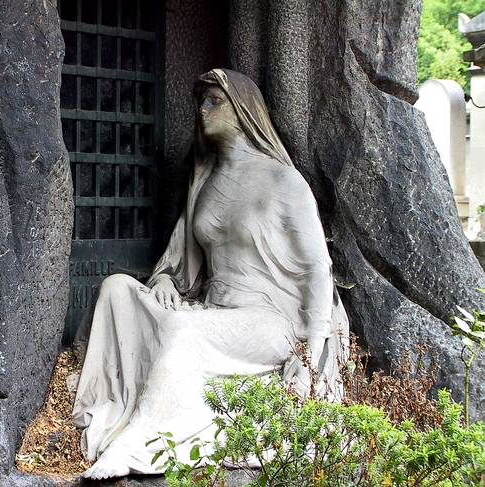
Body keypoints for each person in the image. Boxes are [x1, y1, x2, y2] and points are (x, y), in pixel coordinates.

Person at [72, 68, 349, 480]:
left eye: (214, 100)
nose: (203, 109)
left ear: (242, 111)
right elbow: (178, 260)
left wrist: (311, 356)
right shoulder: (203, 183)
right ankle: (106, 402)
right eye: (200, 100)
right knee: (116, 289)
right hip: (212, 310)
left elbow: (317, 271)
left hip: (270, 322)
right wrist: (165, 278)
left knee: (183, 331)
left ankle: (137, 447)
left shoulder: (283, 180)